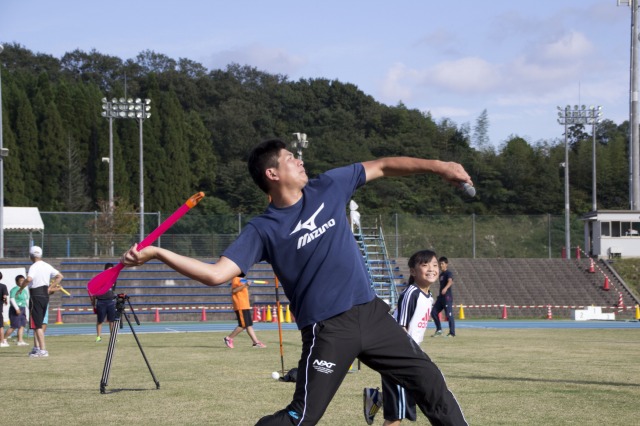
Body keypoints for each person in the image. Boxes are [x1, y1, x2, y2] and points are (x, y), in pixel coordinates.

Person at [121, 138, 471, 425]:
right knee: (301, 417)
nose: (300, 161)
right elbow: (216, 274)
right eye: (291, 158)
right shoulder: (263, 228)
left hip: (373, 316)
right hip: (329, 331)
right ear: (272, 173)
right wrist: (158, 253)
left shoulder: (329, 186)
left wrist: (440, 167)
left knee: (431, 385)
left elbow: (382, 165)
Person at [364, 250, 438, 425]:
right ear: (413, 271)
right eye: (425, 265)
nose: (431, 269)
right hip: (398, 356)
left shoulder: (428, 296)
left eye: (434, 265)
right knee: (396, 415)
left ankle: (377, 398)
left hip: (410, 355)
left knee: (409, 398)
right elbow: (400, 328)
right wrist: (408, 354)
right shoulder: (411, 293)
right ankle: (380, 399)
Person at [17, 245, 64, 357]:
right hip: (44, 295)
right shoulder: (47, 265)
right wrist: (50, 286)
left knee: (37, 325)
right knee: (38, 323)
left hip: (35, 295)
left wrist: (21, 288)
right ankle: (36, 348)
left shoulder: (34, 266)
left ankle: (42, 350)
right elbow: (60, 276)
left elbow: (28, 279)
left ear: (31, 256)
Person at [223, 276, 266, 349]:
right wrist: (245, 285)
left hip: (245, 305)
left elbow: (241, 290)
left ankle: (256, 342)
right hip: (240, 305)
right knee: (243, 325)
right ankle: (229, 338)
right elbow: (234, 290)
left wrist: (246, 285)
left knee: (248, 325)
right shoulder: (236, 278)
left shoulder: (241, 279)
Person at [90, 262, 117, 342]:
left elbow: (112, 290)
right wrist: (93, 302)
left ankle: (113, 338)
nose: (110, 271)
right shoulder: (100, 278)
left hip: (110, 301)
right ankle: (98, 337)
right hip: (101, 301)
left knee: (112, 320)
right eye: (109, 269)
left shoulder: (113, 279)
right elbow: (95, 290)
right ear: (105, 270)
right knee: (100, 320)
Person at [431, 256, 456, 337]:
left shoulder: (449, 273)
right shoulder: (441, 275)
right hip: (441, 297)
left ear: (446, 264)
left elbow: (450, 281)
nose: (441, 265)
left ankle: (452, 333)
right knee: (434, 312)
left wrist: (445, 288)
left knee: (449, 315)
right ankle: (439, 330)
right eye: (440, 264)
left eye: (442, 263)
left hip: (447, 297)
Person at [4, 275, 30, 346]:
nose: (22, 282)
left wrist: (30, 309)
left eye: (23, 280)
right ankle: (3, 339)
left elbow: (27, 300)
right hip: (16, 309)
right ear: (16, 282)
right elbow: (12, 299)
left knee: (22, 325)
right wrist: (16, 308)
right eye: (20, 281)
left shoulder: (24, 291)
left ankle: (20, 340)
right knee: (14, 326)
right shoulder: (14, 289)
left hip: (23, 308)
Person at [0, 272, 8, 347]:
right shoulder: (3, 286)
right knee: (0, 326)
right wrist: (5, 301)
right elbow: (4, 296)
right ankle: (1, 341)